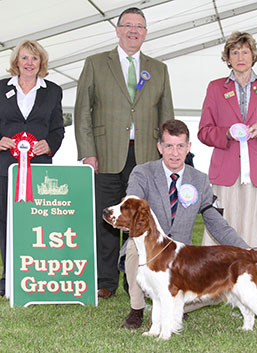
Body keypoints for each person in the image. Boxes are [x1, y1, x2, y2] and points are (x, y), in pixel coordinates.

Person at [74, 7, 174, 299]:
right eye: (128, 25)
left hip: (145, 157)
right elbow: (82, 111)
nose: (133, 30)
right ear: (117, 30)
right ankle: (106, 280)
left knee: (142, 222)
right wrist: (87, 152)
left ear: (145, 32)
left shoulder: (159, 69)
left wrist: (165, 155)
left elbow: (166, 114)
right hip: (104, 154)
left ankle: (138, 279)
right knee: (107, 218)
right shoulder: (95, 63)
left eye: (139, 26)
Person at [122, 119, 249, 329]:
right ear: (159, 147)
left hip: (181, 259)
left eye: (180, 146)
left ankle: (171, 306)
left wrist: (246, 250)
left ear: (188, 147)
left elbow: (217, 223)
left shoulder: (199, 179)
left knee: (217, 289)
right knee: (135, 247)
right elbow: (132, 203)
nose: (174, 153)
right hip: (150, 252)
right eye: (169, 146)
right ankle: (136, 310)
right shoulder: (142, 173)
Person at [197, 32, 257, 281]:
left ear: (253, 56)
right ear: (227, 58)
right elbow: (204, 131)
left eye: (245, 51)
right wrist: (226, 133)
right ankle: (218, 289)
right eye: (234, 52)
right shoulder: (216, 88)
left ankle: (253, 294)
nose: (240, 57)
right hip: (227, 174)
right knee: (223, 239)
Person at [0, 40, 65, 296]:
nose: (29, 63)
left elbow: (58, 129)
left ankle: (35, 274)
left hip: (39, 168)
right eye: (25, 58)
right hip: (5, 168)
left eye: (34, 59)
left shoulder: (53, 91)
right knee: (6, 223)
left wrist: (49, 145)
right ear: (16, 61)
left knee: (37, 221)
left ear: (42, 63)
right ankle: (8, 277)